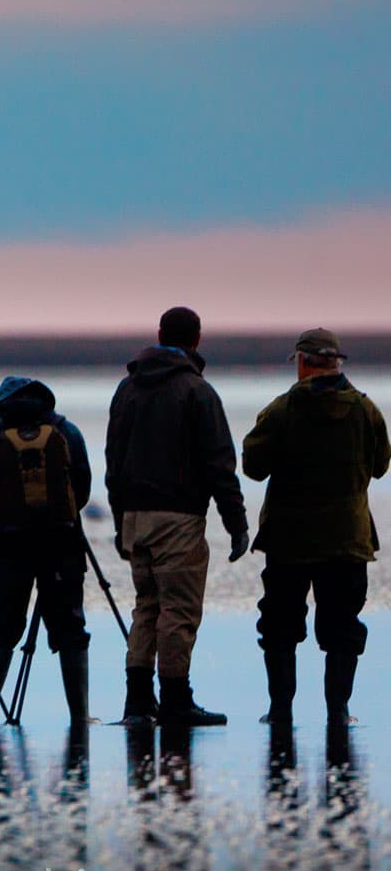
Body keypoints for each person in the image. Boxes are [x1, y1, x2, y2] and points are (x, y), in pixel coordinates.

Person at [105, 307, 248, 726]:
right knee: (178, 612)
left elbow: (113, 461)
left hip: (134, 518)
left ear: (159, 334)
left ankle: (136, 703)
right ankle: (174, 701)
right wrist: (236, 524)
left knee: (146, 608)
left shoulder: (126, 389)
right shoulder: (197, 391)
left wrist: (119, 522)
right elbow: (220, 464)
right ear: (197, 340)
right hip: (179, 519)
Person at [241, 329, 389, 725]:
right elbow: (380, 465)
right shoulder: (365, 410)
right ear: (337, 364)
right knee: (342, 628)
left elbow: (253, 468)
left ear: (303, 362)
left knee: (279, 627)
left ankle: (280, 710)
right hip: (347, 541)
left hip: (288, 540)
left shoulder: (281, 410)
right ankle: (338, 712)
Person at [0, 376, 95, 726]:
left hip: (11, 545)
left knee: (1, 627)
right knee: (70, 629)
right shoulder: (66, 431)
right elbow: (81, 490)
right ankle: (79, 716)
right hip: (63, 543)